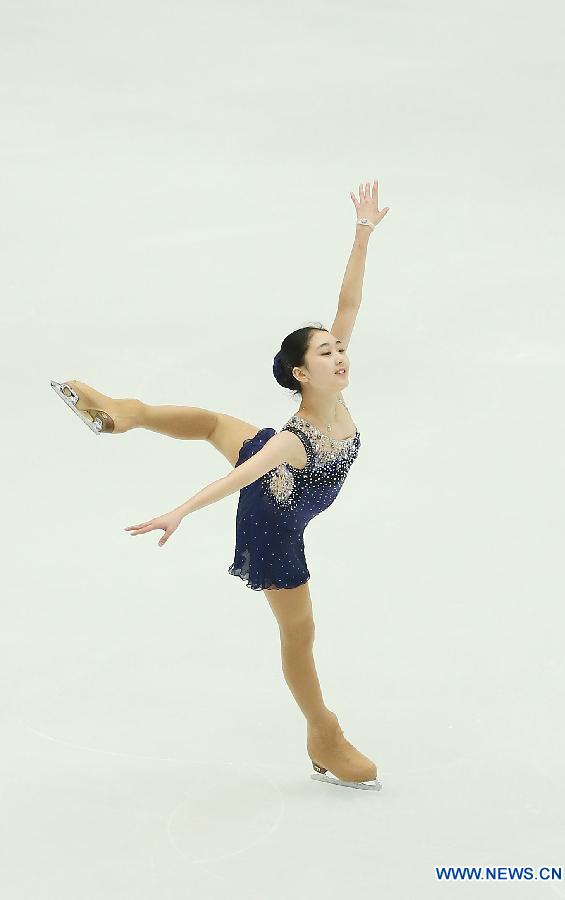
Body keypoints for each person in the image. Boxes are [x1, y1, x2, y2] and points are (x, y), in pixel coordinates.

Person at [50, 179, 389, 791]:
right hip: (275, 517)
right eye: (326, 353)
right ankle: (324, 734)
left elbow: (349, 302)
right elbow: (237, 480)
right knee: (299, 633)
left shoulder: (329, 397)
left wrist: (363, 232)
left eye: (340, 349)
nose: (340, 356)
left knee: (210, 422)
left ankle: (123, 415)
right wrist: (177, 511)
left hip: (274, 468)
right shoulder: (295, 438)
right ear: (299, 373)